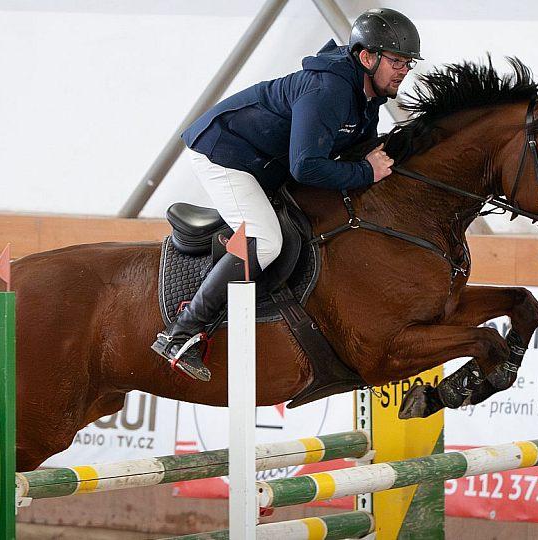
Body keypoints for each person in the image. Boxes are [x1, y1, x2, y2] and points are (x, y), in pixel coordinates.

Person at [151, 8, 423, 381]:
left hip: (263, 159)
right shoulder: (328, 90)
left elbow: (357, 149)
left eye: (407, 63)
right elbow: (306, 167)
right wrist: (364, 172)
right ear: (366, 57)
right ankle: (181, 333)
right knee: (264, 241)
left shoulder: (365, 97)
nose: (403, 71)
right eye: (396, 61)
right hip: (225, 152)